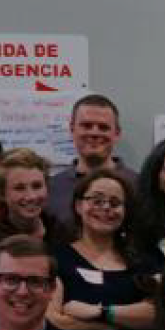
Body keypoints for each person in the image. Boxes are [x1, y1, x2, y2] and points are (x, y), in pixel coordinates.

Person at [47, 170, 163, 330]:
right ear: (78, 206)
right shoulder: (56, 259)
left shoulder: (144, 259)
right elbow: (56, 325)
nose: (106, 208)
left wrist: (98, 312)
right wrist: (132, 319)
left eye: (115, 202)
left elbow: (160, 316)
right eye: (96, 200)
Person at [0, 148, 60, 328]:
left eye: (37, 186)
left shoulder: (60, 230)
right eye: (19, 188)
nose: (31, 196)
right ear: (1, 195)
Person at [45, 94, 135, 230]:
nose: (94, 133)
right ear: (72, 130)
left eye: (103, 127)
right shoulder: (51, 188)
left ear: (117, 134)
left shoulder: (140, 186)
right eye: (86, 126)